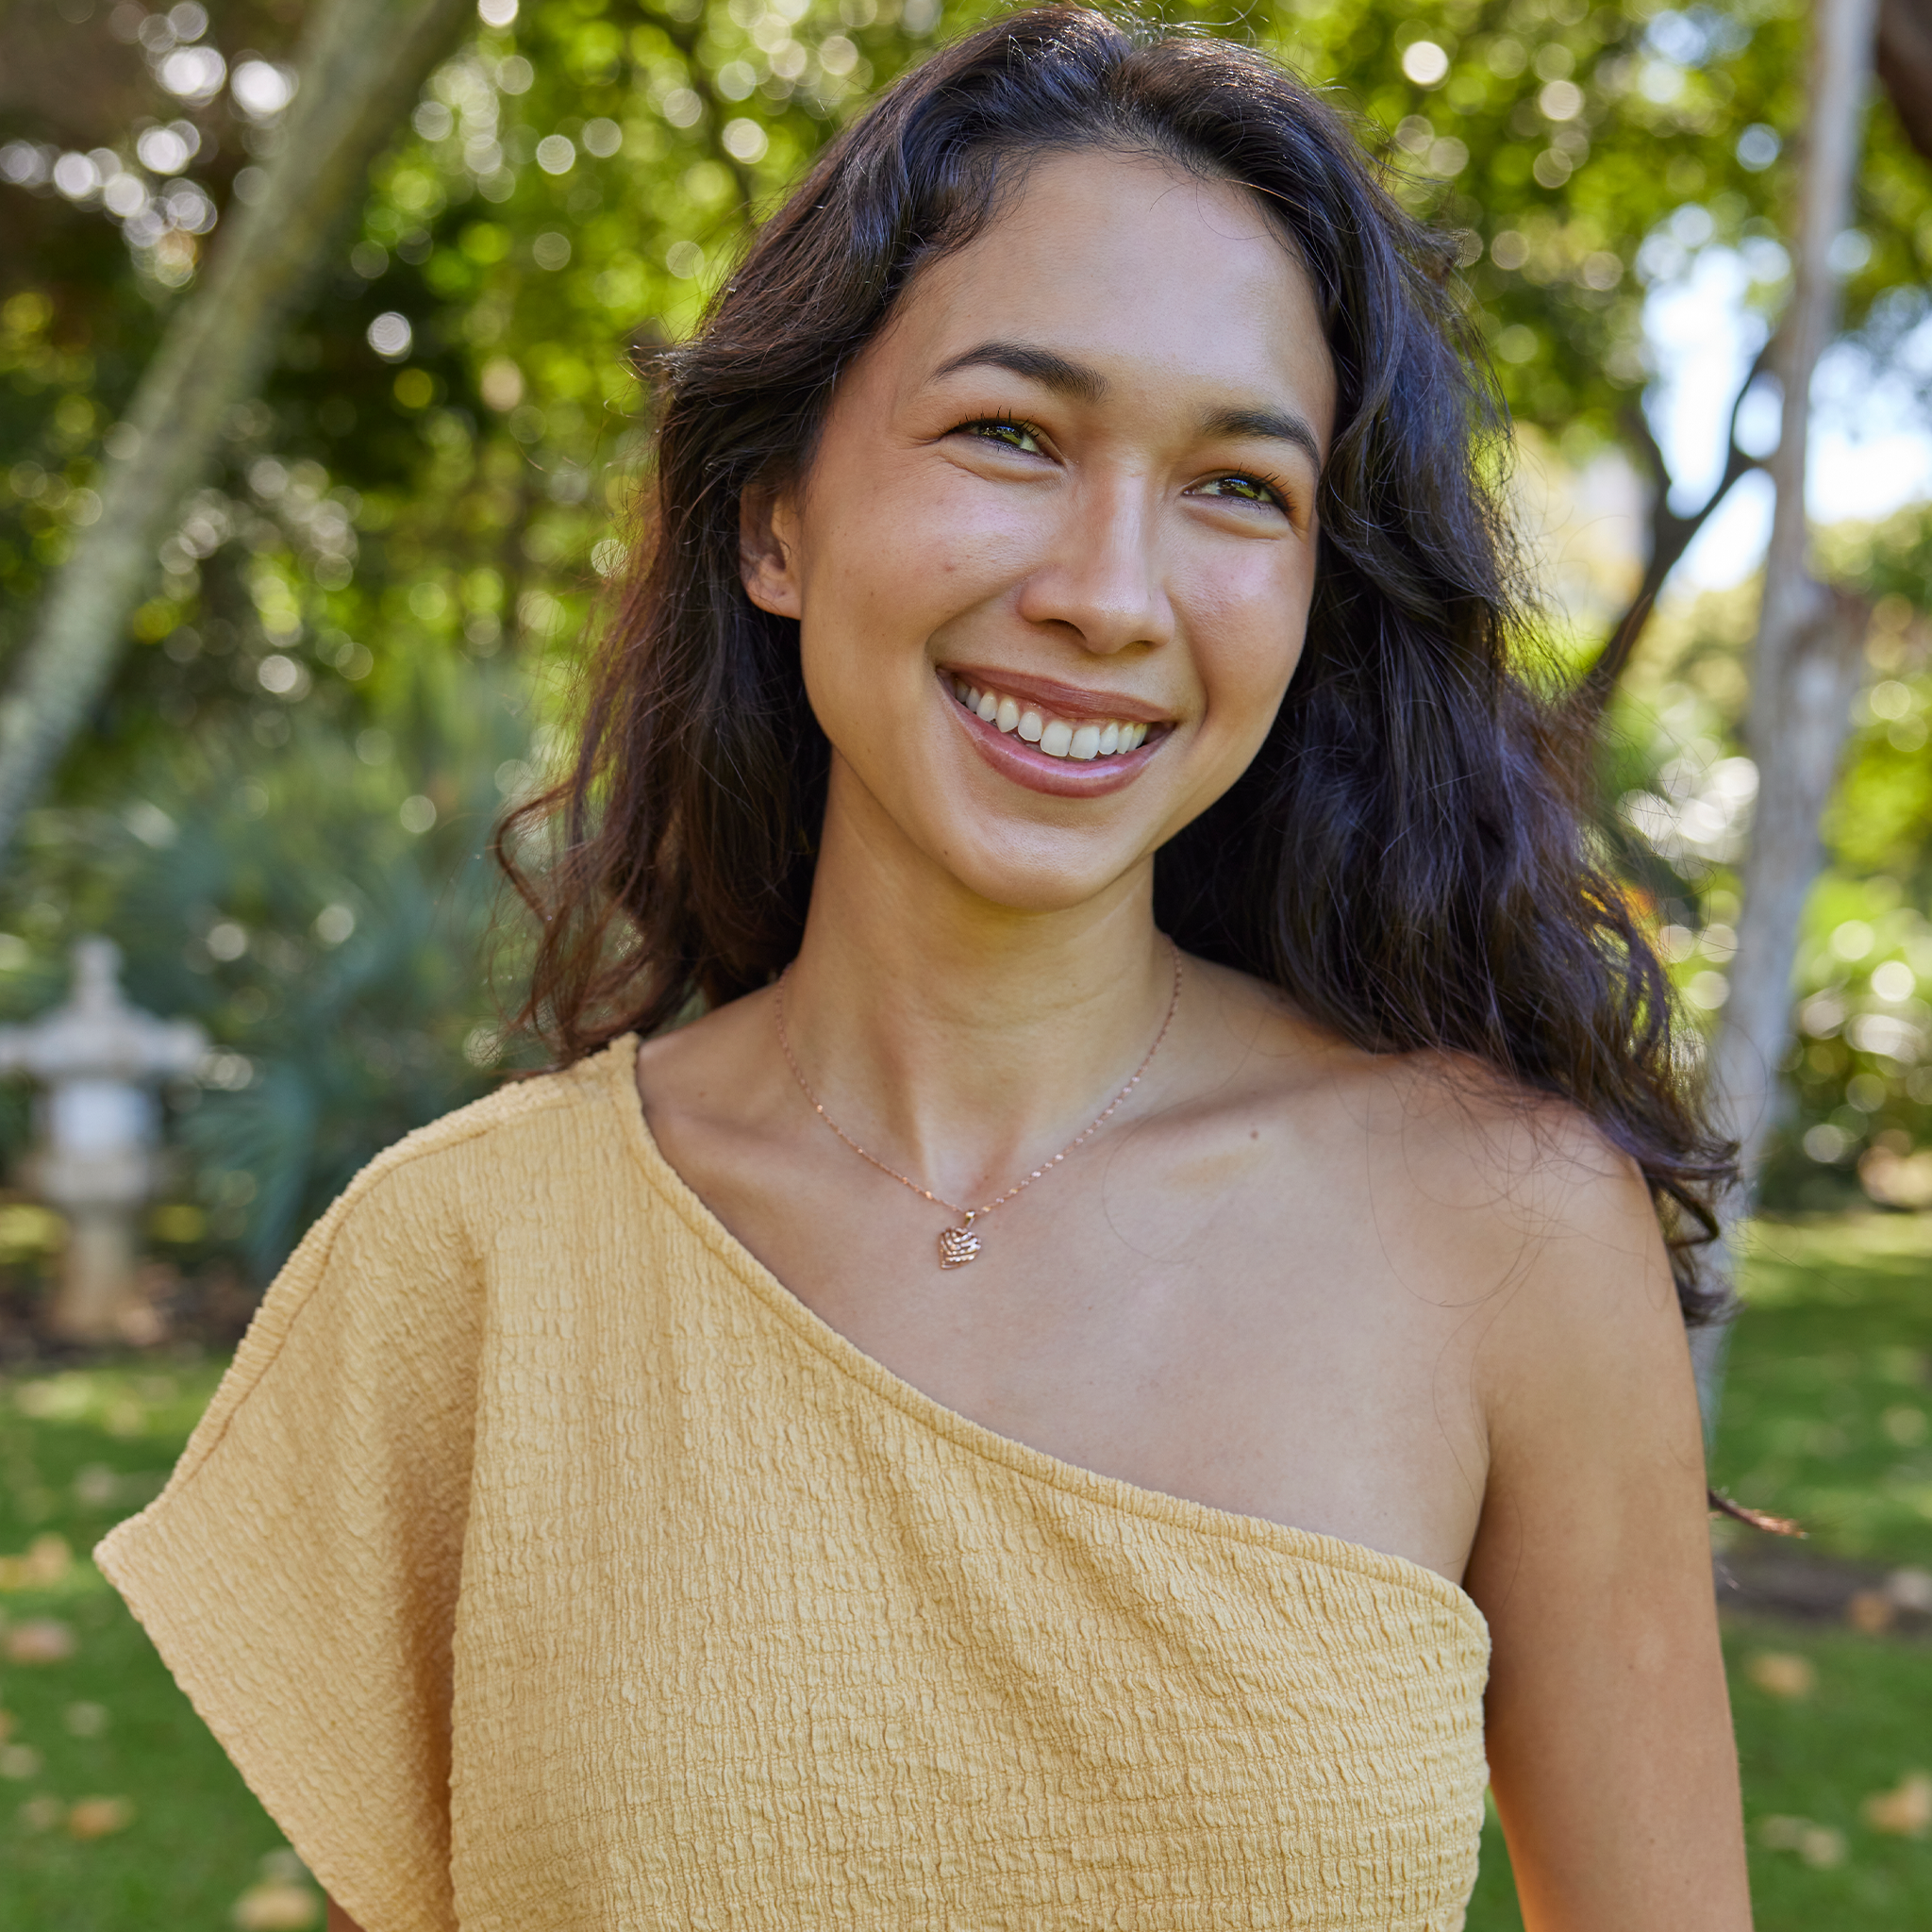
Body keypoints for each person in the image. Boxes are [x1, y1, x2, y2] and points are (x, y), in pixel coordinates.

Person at [99, 8, 1754, 1928]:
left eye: (1235, 486)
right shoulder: (464, 1265)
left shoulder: (1511, 1230)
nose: (1108, 593)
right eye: (1008, 435)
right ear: (775, 517)